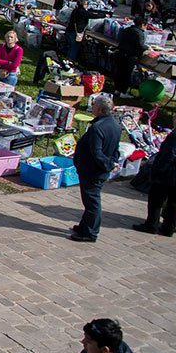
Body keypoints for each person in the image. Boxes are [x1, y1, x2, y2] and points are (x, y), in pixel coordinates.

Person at [71, 95, 122, 242]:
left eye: (93, 106)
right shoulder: (114, 125)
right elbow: (115, 149)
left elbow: (97, 152)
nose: (92, 108)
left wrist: (109, 165)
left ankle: (90, 233)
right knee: (90, 200)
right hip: (98, 170)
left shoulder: (98, 128)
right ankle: (84, 226)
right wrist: (113, 161)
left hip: (93, 171)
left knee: (92, 202)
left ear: (98, 109)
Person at [132, 109, 176, 237]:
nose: (174, 120)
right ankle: (168, 228)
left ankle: (151, 224)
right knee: (175, 202)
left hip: (169, 174)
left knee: (156, 199)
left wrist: (158, 169)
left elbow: (169, 154)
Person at [114, 18, 148, 99]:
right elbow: (140, 45)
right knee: (126, 74)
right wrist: (147, 48)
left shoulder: (126, 29)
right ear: (143, 25)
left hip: (121, 52)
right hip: (130, 55)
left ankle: (117, 89)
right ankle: (123, 91)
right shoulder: (139, 33)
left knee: (119, 72)